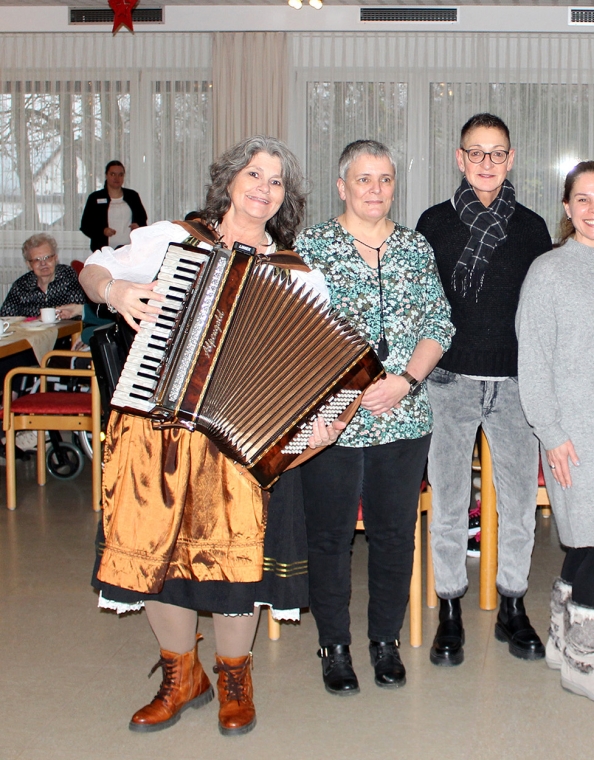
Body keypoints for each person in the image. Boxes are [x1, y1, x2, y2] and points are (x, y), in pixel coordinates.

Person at [79, 136, 337, 737]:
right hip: (156, 427)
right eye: (254, 173)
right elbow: (96, 270)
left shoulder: (296, 275)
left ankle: (233, 676)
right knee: (156, 557)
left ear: (284, 198)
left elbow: (319, 372)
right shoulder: (174, 240)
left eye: (276, 180)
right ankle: (180, 674)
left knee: (234, 564)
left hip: (237, 442)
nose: (263, 187)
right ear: (228, 181)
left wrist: (322, 426)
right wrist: (114, 291)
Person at [294, 140, 453, 695]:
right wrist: (340, 394)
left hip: (403, 418)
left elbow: (439, 322)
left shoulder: (415, 246)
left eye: (385, 179)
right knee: (331, 537)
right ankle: (334, 645)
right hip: (332, 421)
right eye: (364, 180)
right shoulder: (310, 246)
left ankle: (384, 640)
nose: (376, 190)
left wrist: (406, 381)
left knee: (393, 535)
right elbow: (293, 332)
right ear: (342, 186)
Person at [415, 113, 552, 666]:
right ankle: (450, 606)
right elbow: (424, 305)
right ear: (460, 158)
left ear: (512, 158)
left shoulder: (532, 226)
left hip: (515, 381)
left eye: (497, 153)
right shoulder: (434, 223)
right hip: (450, 380)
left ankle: (513, 604)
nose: (487, 163)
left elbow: (540, 312)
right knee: (448, 499)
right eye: (477, 153)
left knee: (518, 501)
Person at [516, 161, 594, 706]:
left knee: (592, 537)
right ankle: (585, 663)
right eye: (582, 199)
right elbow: (533, 360)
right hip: (572, 429)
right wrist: (551, 431)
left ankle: (561, 641)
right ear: (566, 209)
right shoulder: (548, 270)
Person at [0, 234, 84, 319]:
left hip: (65, 331)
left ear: (55, 258)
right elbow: (5, 317)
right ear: (29, 264)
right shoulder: (21, 285)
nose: (43, 263)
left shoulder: (68, 275)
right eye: (37, 260)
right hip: (30, 331)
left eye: (47, 257)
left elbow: (77, 311)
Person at [80, 160, 148, 250]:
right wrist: (102, 231)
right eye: (113, 174)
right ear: (106, 175)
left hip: (130, 250)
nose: (117, 178)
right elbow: (86, 226)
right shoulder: (95, 198)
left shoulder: (132, 196)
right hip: (104, 250)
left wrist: (138, 227)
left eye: (120, 175)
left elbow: (142, 220)